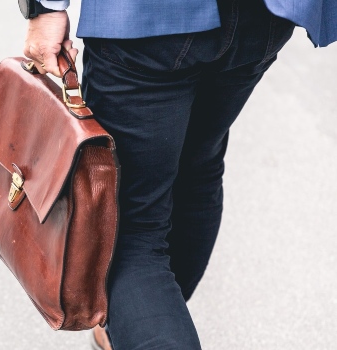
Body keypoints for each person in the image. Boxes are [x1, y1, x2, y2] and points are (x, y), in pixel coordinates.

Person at [20, 0, 336, 348]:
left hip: (148, 18)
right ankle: (145, 317)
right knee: (197, 167)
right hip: (262, 18)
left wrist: (45, 6)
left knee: (128, 228)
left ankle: (148, 320)